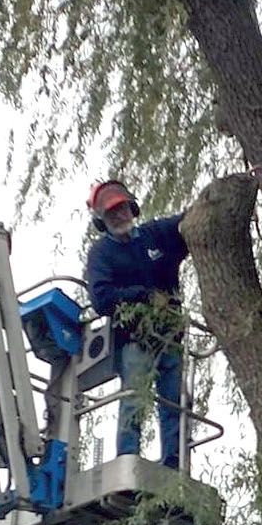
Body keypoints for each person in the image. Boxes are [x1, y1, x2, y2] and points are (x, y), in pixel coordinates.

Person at [84, 178, 191, 469]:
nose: (119, 216)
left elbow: (190, 219)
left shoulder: (156, 235)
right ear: (102, 222)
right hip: (134, 341)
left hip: (169, 338)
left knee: (175, 403)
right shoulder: (101, 254)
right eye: (110, 213)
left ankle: (174, 463)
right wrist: (142, 296)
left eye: (121, 208)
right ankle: (128, 459)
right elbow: (101, 297)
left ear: (132, 207)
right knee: (134, 399)